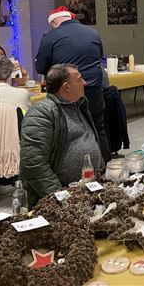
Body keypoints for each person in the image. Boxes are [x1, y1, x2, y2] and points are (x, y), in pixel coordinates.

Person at [19, 64, 105, 208]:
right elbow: (34, 163)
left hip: (88, 191)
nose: (84, 83)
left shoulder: (79, 104)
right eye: (79, 79)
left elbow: (91, 139)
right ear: (66, 87)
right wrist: (61, 196)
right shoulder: (40, 114)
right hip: (62, 200)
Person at [35, 6, 110, 162]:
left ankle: (77, 168)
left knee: (70, 131)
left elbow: (41, 67)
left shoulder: (50, 36)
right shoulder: (92, 32)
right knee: (98, 127)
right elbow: (100, 56)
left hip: (68, 92)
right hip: (95, 88)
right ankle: (105, 165)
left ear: (55, 21)